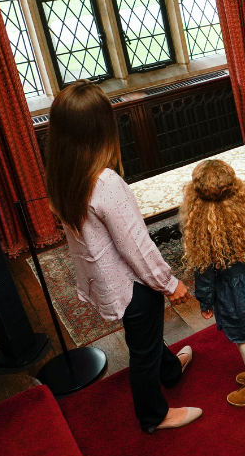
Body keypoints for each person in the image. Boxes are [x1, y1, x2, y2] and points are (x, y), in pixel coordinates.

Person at [45, 80, 200, 432]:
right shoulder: (105, 182)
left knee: (145, 336)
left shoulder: (62, 176)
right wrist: (168, 283)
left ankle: (170, 371)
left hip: (110, 283)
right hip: (133, 287)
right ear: (101, 127)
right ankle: (154, 415)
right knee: (142, 351)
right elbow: (136, 246)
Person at [182, 159, 245, 408]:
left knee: (244, 339)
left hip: (233, 294)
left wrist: (205, 302)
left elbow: (204, 274)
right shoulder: (243, 210)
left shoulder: (203, 228)